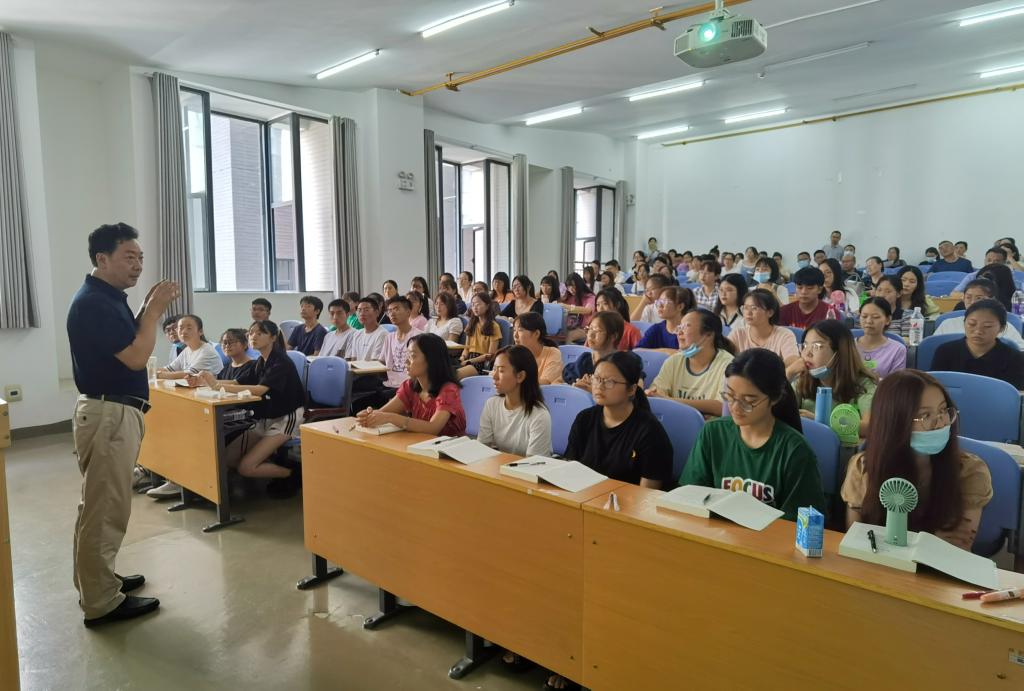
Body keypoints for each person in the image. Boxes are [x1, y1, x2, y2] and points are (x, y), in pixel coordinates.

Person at [67, 223, 179, 626]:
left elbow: (128, 341)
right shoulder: (94, 303)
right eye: (129, 257)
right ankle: (101, 601)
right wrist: (154, 311)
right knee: (105, 509)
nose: (138, 265)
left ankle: (97, 581)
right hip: (109, 415)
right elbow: (134, 357)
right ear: (102, 259)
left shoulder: (107, 298)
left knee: (99, 505)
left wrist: (145, 306)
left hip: (110, 413)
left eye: (140, 257)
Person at [841, 370, 992, 551]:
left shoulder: (970, 470)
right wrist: (928, 540)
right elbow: (857, 541)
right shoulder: (863, 468)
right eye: (926, 415)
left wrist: (892, 541)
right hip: (876, 565)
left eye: (943, 410)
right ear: (895, 423)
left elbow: (957, 548)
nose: (941, 423)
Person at [680, 348, 827, 521]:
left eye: (749, 401)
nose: (735, 407)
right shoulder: (712, 433)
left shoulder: (795, 451)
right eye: (730, 395)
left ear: (775, 398)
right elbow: (690, 498)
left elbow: (800, 522)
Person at [189, 320, 304, 491]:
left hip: (286, 417)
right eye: (251, 333)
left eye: (259, 333)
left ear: (273, 337)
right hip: (266, 417)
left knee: (246, 468)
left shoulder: (281, 362)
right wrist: (206, 380)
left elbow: (259, 390)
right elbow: (237, 382)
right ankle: (274, 464)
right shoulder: (261, 361)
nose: (253, 337)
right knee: (227, 459)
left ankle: (295, 475)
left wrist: (216, 386)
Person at [564, 352, 674, 488]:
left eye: (609, 382)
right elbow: (569, 471)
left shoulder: (650, 431)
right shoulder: (584, 419)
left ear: (631, 389)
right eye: (596, 378)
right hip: (583, 496)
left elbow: (647, 493)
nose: (599, 386)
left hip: (628, 500)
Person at [356, 333, 466, 436]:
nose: (406, 361)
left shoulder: (448, 389)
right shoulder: (409, 386)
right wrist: (370, 416)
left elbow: (433, 428)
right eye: (407, 355)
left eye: (412, 356)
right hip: (419, 444)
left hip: (448, 447)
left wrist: (391, 418)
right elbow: (383, 413)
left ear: (431, 360)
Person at [795, 320, 877, 437]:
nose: (807, 353)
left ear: (839, 352)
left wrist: (821, 422)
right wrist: (788, 373)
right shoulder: (802, 379)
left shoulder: (864, 384)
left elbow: (871, 426)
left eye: (816, 346)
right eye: (805, 345)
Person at [647, 309, 735, 417]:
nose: (679, 332)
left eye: (686, 326)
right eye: (679, 327)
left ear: (708, 335)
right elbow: (656, 394)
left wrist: (669, 400)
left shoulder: (728, 364)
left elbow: (723, 407)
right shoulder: (673, 361)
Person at [478, 346, 553, 457]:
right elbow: (481, 448)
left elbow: (533, 463)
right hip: (499, 465)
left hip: (528, 467)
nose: (494, 376)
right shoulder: (491, 404)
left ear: (520, 376)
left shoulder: (539, 415)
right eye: (494, 369)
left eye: (501, 371)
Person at [932, 300, 1024, 389]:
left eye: (987, 326)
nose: (978, 331)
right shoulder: (945, 352)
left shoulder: (1014, 358)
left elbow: (1015, 393)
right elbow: (934, 388)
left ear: (1001, 328)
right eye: (972, 324)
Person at [729, 290, 803, 378]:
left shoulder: (784, 334)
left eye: (754, 308)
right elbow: (724, 358)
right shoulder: (738, 334)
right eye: (745, 308)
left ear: (770, 312)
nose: (748, 313)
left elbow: (792, 362)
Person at [935, 278, 1024, 349]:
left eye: (979, 298)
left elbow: (1020, 350)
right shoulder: (947, 324)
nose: (972, 302)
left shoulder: (1003, 326)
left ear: (992, 299)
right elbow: (934, 349)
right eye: (968, 297)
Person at [564, 310, 623, 388]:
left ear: (613, 336)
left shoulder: (622, 364)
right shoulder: (585, 360)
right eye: (590, 329)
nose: (590, 335)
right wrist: (578, 383)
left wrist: (593, 389)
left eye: (597, 330)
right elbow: (569, 377)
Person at [155, 314, 223, 379]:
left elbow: (189, 374)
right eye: (181, 328)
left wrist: (157, 374)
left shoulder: (207, 351)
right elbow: (169, 369)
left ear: (200, 331)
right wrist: (151, 370)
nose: (183, 332)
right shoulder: (187, 350)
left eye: (189, 328)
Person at [381, 296, 423, 396]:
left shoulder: (419, 336)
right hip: (390, 385)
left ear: (408, 312)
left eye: (396, 309)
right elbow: (381, 362)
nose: (392, 313)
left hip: (410, 386)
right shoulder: (389, 337)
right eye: (389, 311)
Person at [855, 298, 907, 377]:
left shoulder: (897, 349)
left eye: (875, 317)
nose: (868, 321)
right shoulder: (848, 346)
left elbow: (896, 382)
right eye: (864, 316)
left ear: (888, 320)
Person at [457, 292, 502, 379]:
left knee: (455, 375)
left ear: (487, 306)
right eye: (473, 305)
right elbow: (466, 348)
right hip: (469, 359)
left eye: (478, 304)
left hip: (481, 363)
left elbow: (490, 355)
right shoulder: (471, 324)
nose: (475, 307)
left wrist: (469, 361)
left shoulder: (494, 326)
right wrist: (462, 358)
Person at [636, 286, 694, 352]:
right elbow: (637, 351)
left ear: (680, 307)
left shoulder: (690, 331)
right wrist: (665, 351)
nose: (659, 305)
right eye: (659, 301)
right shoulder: (656, 329)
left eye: (664, 302)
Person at [512, 312, 563, 385]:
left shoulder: (553, 353)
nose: (515, 335)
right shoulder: (514, 355)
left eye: (520, 330)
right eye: (514, 330)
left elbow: (545, 383)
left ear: (536, 334)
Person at [561, 272, 597, 343]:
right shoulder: (571, 297)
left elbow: (587, 310)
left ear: (579, 285)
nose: (571, 289)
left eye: (573, 286)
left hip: (588, 329)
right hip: (574, 327)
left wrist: (567, 307)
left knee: (570, 335)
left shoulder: (590, 297)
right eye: (569, 287)